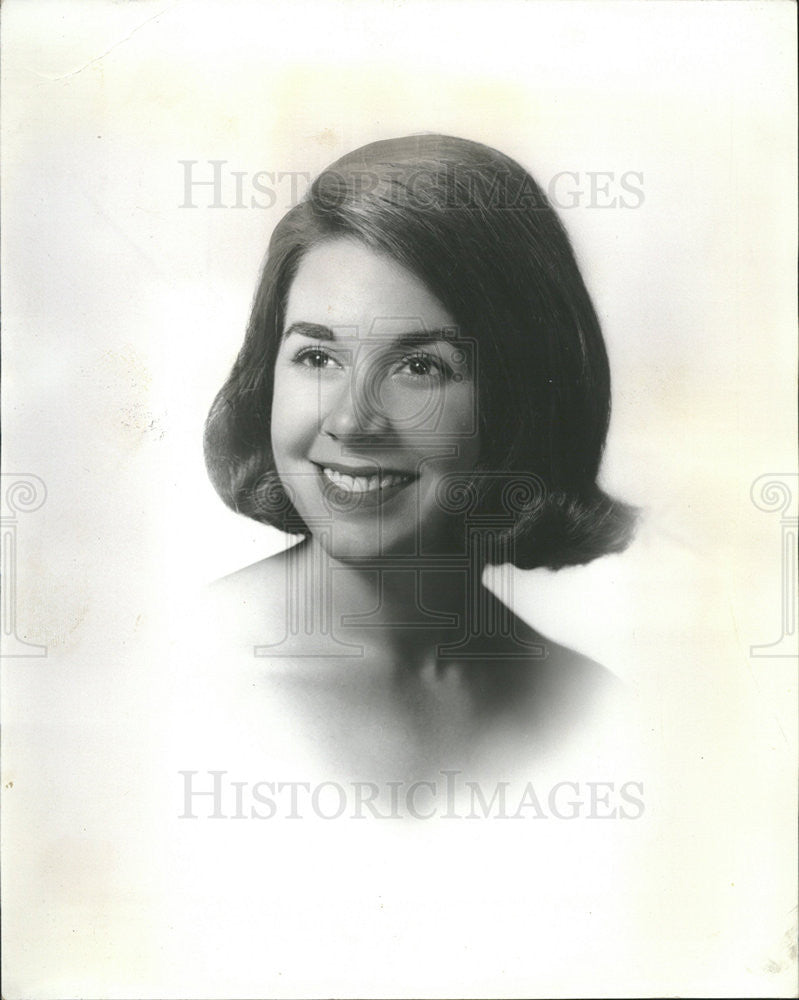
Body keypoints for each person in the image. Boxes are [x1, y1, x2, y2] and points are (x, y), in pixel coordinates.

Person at [201, 134, 636, 777]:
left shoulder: (595, 714)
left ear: (520, 401)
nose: (351, 421)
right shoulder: (166, 675)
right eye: (317, 357)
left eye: (419, 366)